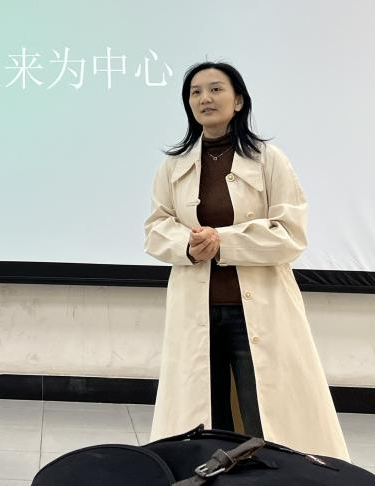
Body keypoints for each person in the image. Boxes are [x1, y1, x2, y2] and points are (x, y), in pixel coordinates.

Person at [144, 61, 348, 460]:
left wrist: (223, 242)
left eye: (215, 89)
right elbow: (156, 229)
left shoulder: (269, 159)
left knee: (266, 419)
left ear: (238, 101)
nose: (204, 98)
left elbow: (290, 233)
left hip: (255, 309)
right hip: (198, 310)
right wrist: (188, 244)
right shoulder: (173, 166)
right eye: (195, 92)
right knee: (204, 421)